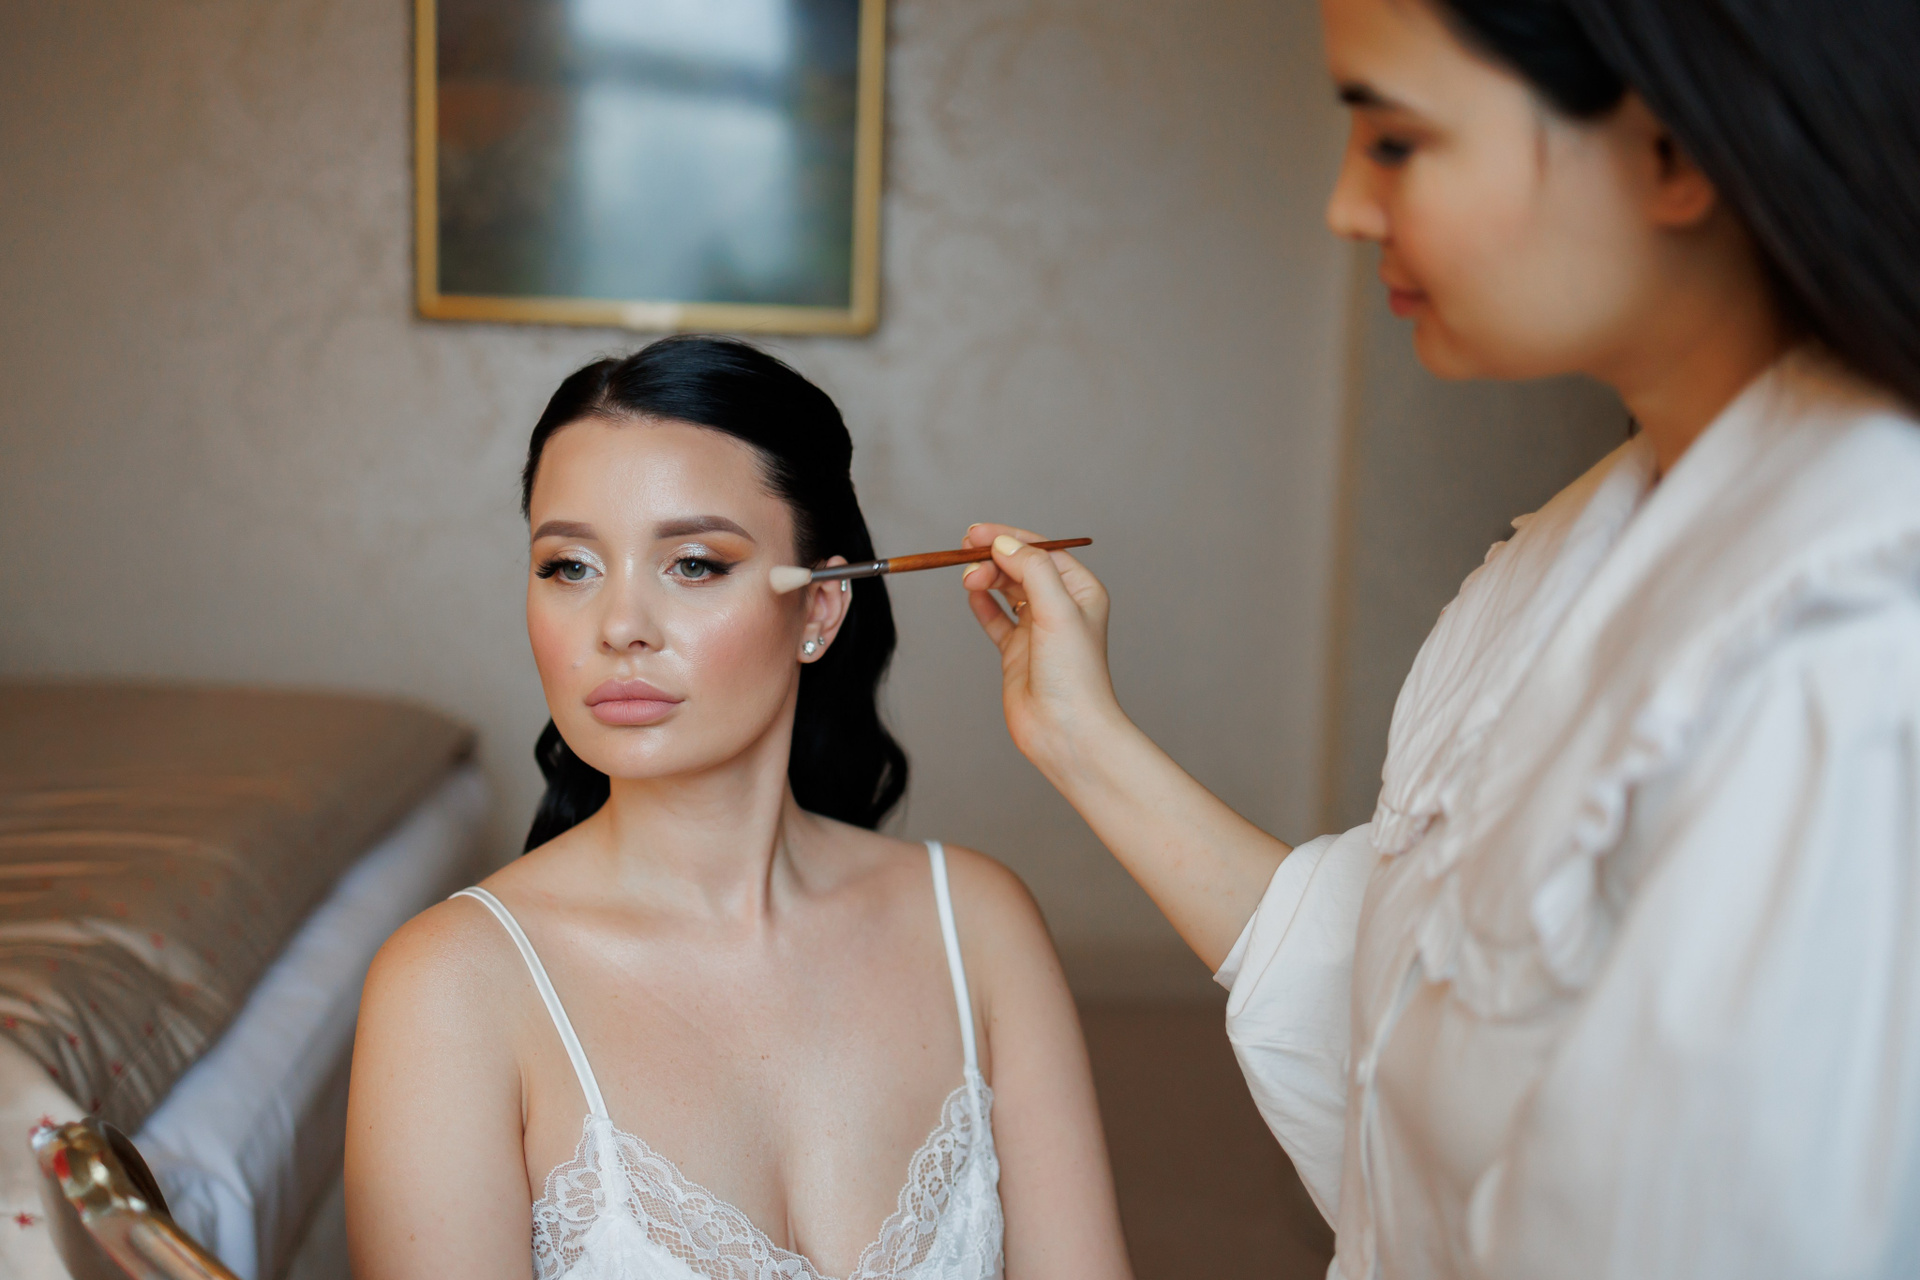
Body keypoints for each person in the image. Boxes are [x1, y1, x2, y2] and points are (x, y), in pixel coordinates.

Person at [957, 0, 1920, 1275]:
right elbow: (1402, 1026)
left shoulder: (1848, 643)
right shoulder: (1570, 545)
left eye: (1397, 142)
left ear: (1672, 149)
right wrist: (1082, 737)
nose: (1346, 208)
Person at [345, 337, 1133, 1280]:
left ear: (820, 610)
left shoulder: (978, 924)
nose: (619, 627)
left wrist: (1088, 737)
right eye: (569, 567)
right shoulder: (449, 986)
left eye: (693, 563)